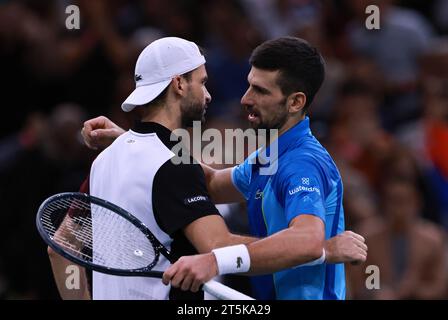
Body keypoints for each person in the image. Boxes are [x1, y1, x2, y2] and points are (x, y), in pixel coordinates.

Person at [73, 36, 367, 300]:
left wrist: (214, 260)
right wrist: (136, 142)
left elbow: (307, 240)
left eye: (260, 91)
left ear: (295, 102)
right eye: (249, 85)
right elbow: (211, 182)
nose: (245, 99)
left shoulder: (302, 164)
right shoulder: (269, 158)